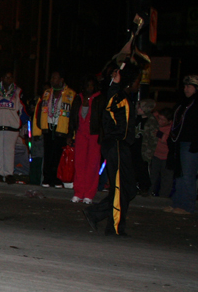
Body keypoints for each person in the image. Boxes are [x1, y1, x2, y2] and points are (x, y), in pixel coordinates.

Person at [83, 61, 139, 236]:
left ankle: (95, 213)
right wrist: (115, 81)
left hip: (119, 145)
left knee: (129, 189)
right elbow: (113, 115)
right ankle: (115, 226)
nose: (139, 83)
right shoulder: (118, 96)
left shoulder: (122, 96)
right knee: (120, 188)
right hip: (116, 144)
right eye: (137, 80)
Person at [33, 71, 76, 187]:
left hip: (62, 129)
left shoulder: (71, 94)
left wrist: (72, 134)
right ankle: (47, 178)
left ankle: (57, 179)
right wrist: (37, 131)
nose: (52, 80)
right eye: (51, 78)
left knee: (59, 156)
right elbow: (38, 112)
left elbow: (74, 116)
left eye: (55, 78)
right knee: (48, 154)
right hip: (48, 127)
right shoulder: (47, 93)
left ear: (61, 80)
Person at [164, 75, 198, 214]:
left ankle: (187, 206)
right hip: (179, 142)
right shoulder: (183, 103)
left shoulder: (195, 104)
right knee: (179, 174)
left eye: (189, 86)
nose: (186, 89)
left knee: (188, 175)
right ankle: (178, 202)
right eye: (185, 86)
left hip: (191, 143)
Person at [0, 70, 25, 183]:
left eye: (11, 77)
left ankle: (9, 174)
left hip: (12, 126)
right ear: (1, 78)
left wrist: (20, 122)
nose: (9, 79)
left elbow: (24, 109)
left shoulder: (18, 92)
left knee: (9, 150)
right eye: (6, 77)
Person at [69, 75, 103, 204]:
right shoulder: (78, 98)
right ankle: (78, 192)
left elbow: (102, 118)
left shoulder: (99, 99)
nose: (90, 88)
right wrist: (69, 134)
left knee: (92, 165)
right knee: (79, 164)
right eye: (88, 85)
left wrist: (102, 136)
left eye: (92, 85)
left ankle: (89, 194)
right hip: (80, 134)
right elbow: (73, 117)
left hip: (94, 135)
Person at [148, 107, 174, 198]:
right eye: (159, 118)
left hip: (167, 157)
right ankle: (148, 194)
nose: (160, 121)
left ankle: (163, 198)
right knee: (152, 176)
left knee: (166, 179)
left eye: (163, 120)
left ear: (169, 121)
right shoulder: (155, 123)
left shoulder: (172, 128)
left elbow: (171, 140)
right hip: (155, 155)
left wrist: (161, 135)